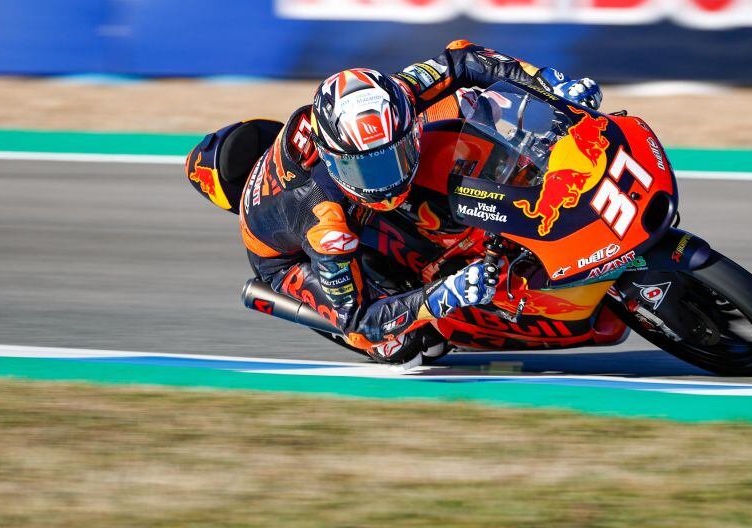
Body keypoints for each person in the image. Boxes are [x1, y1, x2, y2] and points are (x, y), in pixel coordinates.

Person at [238, 40, 601, 362]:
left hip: (336, 176)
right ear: (335, 161)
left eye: (392, 159)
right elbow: (358, 321)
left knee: (466, 112)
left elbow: (461, 58)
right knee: (407, 344)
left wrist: (550, 84)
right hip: (285, 254)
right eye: (367, 171)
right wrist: (440, 296)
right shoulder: (326, 223)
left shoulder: (396, 95)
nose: (386, 182)